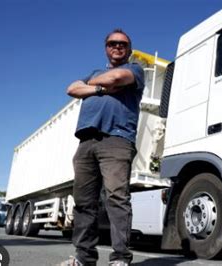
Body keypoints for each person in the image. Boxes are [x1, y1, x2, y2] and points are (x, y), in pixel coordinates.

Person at [61, 28, 145, 266]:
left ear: (128, 49)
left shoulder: (135, 70)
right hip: (86, 142)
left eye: (122, 44)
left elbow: (116, 79)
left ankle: (120, 259)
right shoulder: (96, 73)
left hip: (117, 140)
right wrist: (99, 88)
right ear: (106, 47)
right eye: (112, 43)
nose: (117, 46)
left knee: (117, 198)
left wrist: (89, 86)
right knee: (84, 202)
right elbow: (71, 88)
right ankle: (84, 257)